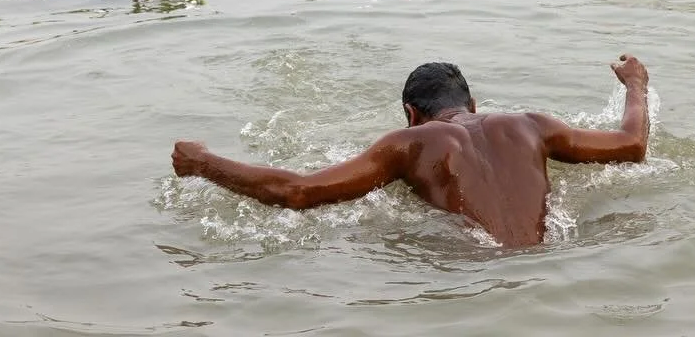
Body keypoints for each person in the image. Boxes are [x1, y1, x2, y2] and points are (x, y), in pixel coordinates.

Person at [171, 54, 650, 247]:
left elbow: (297, 192)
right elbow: (632, 146)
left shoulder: (409, 144)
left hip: (470, 273)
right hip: (553, 261)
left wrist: (203, 163)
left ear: (410, 113)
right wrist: (635, 84)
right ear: (474, 105)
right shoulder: (532, 125)